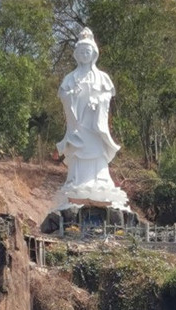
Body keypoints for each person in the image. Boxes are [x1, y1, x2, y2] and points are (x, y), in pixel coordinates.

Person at [54, 28, 129, 209]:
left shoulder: (102, 77)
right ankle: (76, 181)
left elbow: (107, 96)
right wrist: (72, 95)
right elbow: (63, 96)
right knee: (78, 155)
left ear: (94, 54)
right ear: (76, 55)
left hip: (94, 125)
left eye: (88, 52)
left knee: (97, 153)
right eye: (81, 52)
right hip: (78, 125)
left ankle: (101, 180)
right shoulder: (71, 77)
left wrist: (99, 100)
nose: (84, 55)